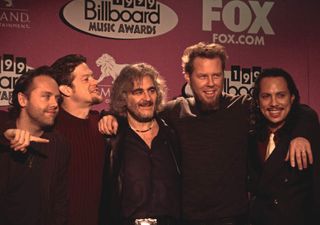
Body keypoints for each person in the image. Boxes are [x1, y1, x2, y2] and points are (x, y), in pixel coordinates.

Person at [99, 42, 313, 225]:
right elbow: (139, 109)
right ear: (187, 76)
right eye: (202, 76)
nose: (210, 84)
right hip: (187, 221)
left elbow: (297, 110)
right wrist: (111, 117)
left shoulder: (242, 107)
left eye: (216, 75)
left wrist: (301, 134)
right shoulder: (175, 110)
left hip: (235, 219)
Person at [100, 63, 181, 225]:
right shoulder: (113, 139)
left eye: (151, 90)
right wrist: (107, 115)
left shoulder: (172, 134)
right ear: (123, 97)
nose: (147, 98)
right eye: (138, 92)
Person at [247, 68, 320, 225]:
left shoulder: (307, 133)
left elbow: (307, 112)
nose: (274, 103)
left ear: (292, 98)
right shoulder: (250, 136)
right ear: (258, 101)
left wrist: (301, 135)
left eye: (281, 95)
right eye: (266, 96)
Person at [0, 66, 70, 225]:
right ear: (23, 100)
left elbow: (60, 202)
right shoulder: (2, 133)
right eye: (46, 96)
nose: (55, 104)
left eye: (57, 98)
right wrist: (4, 140)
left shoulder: (59, 144)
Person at [51, 55, 106, 225]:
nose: (95, 81)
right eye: (86, 79)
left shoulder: (102, 124)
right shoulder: (49, 128)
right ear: (66, 90)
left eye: (93, 76)